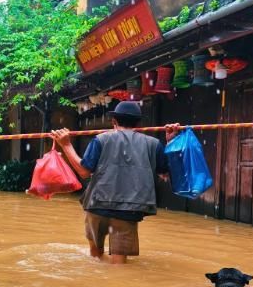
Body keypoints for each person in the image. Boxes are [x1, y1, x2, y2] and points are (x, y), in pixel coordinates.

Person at [51, 101, 180, 264]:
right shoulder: (153, 144)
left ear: (114, 121)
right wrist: (171, 142)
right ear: (138, 124)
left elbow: (84, 172)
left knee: (95, 256)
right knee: (119, 265)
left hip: (98, 204)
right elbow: (165, 173)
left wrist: (66, 145)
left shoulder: (101, 140)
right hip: (128, 209)